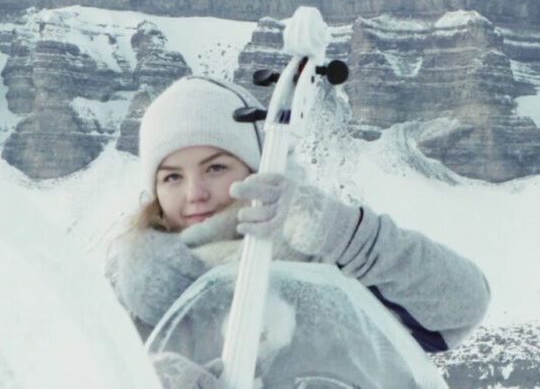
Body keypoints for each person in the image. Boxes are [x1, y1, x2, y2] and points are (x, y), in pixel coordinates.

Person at [106, 75, 490, 388]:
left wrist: (343, 232)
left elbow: (462, 306)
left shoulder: (326, 255)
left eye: (216, 168)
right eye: (172, 177)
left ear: (255, 166)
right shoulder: (133, 298)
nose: (195, 194)